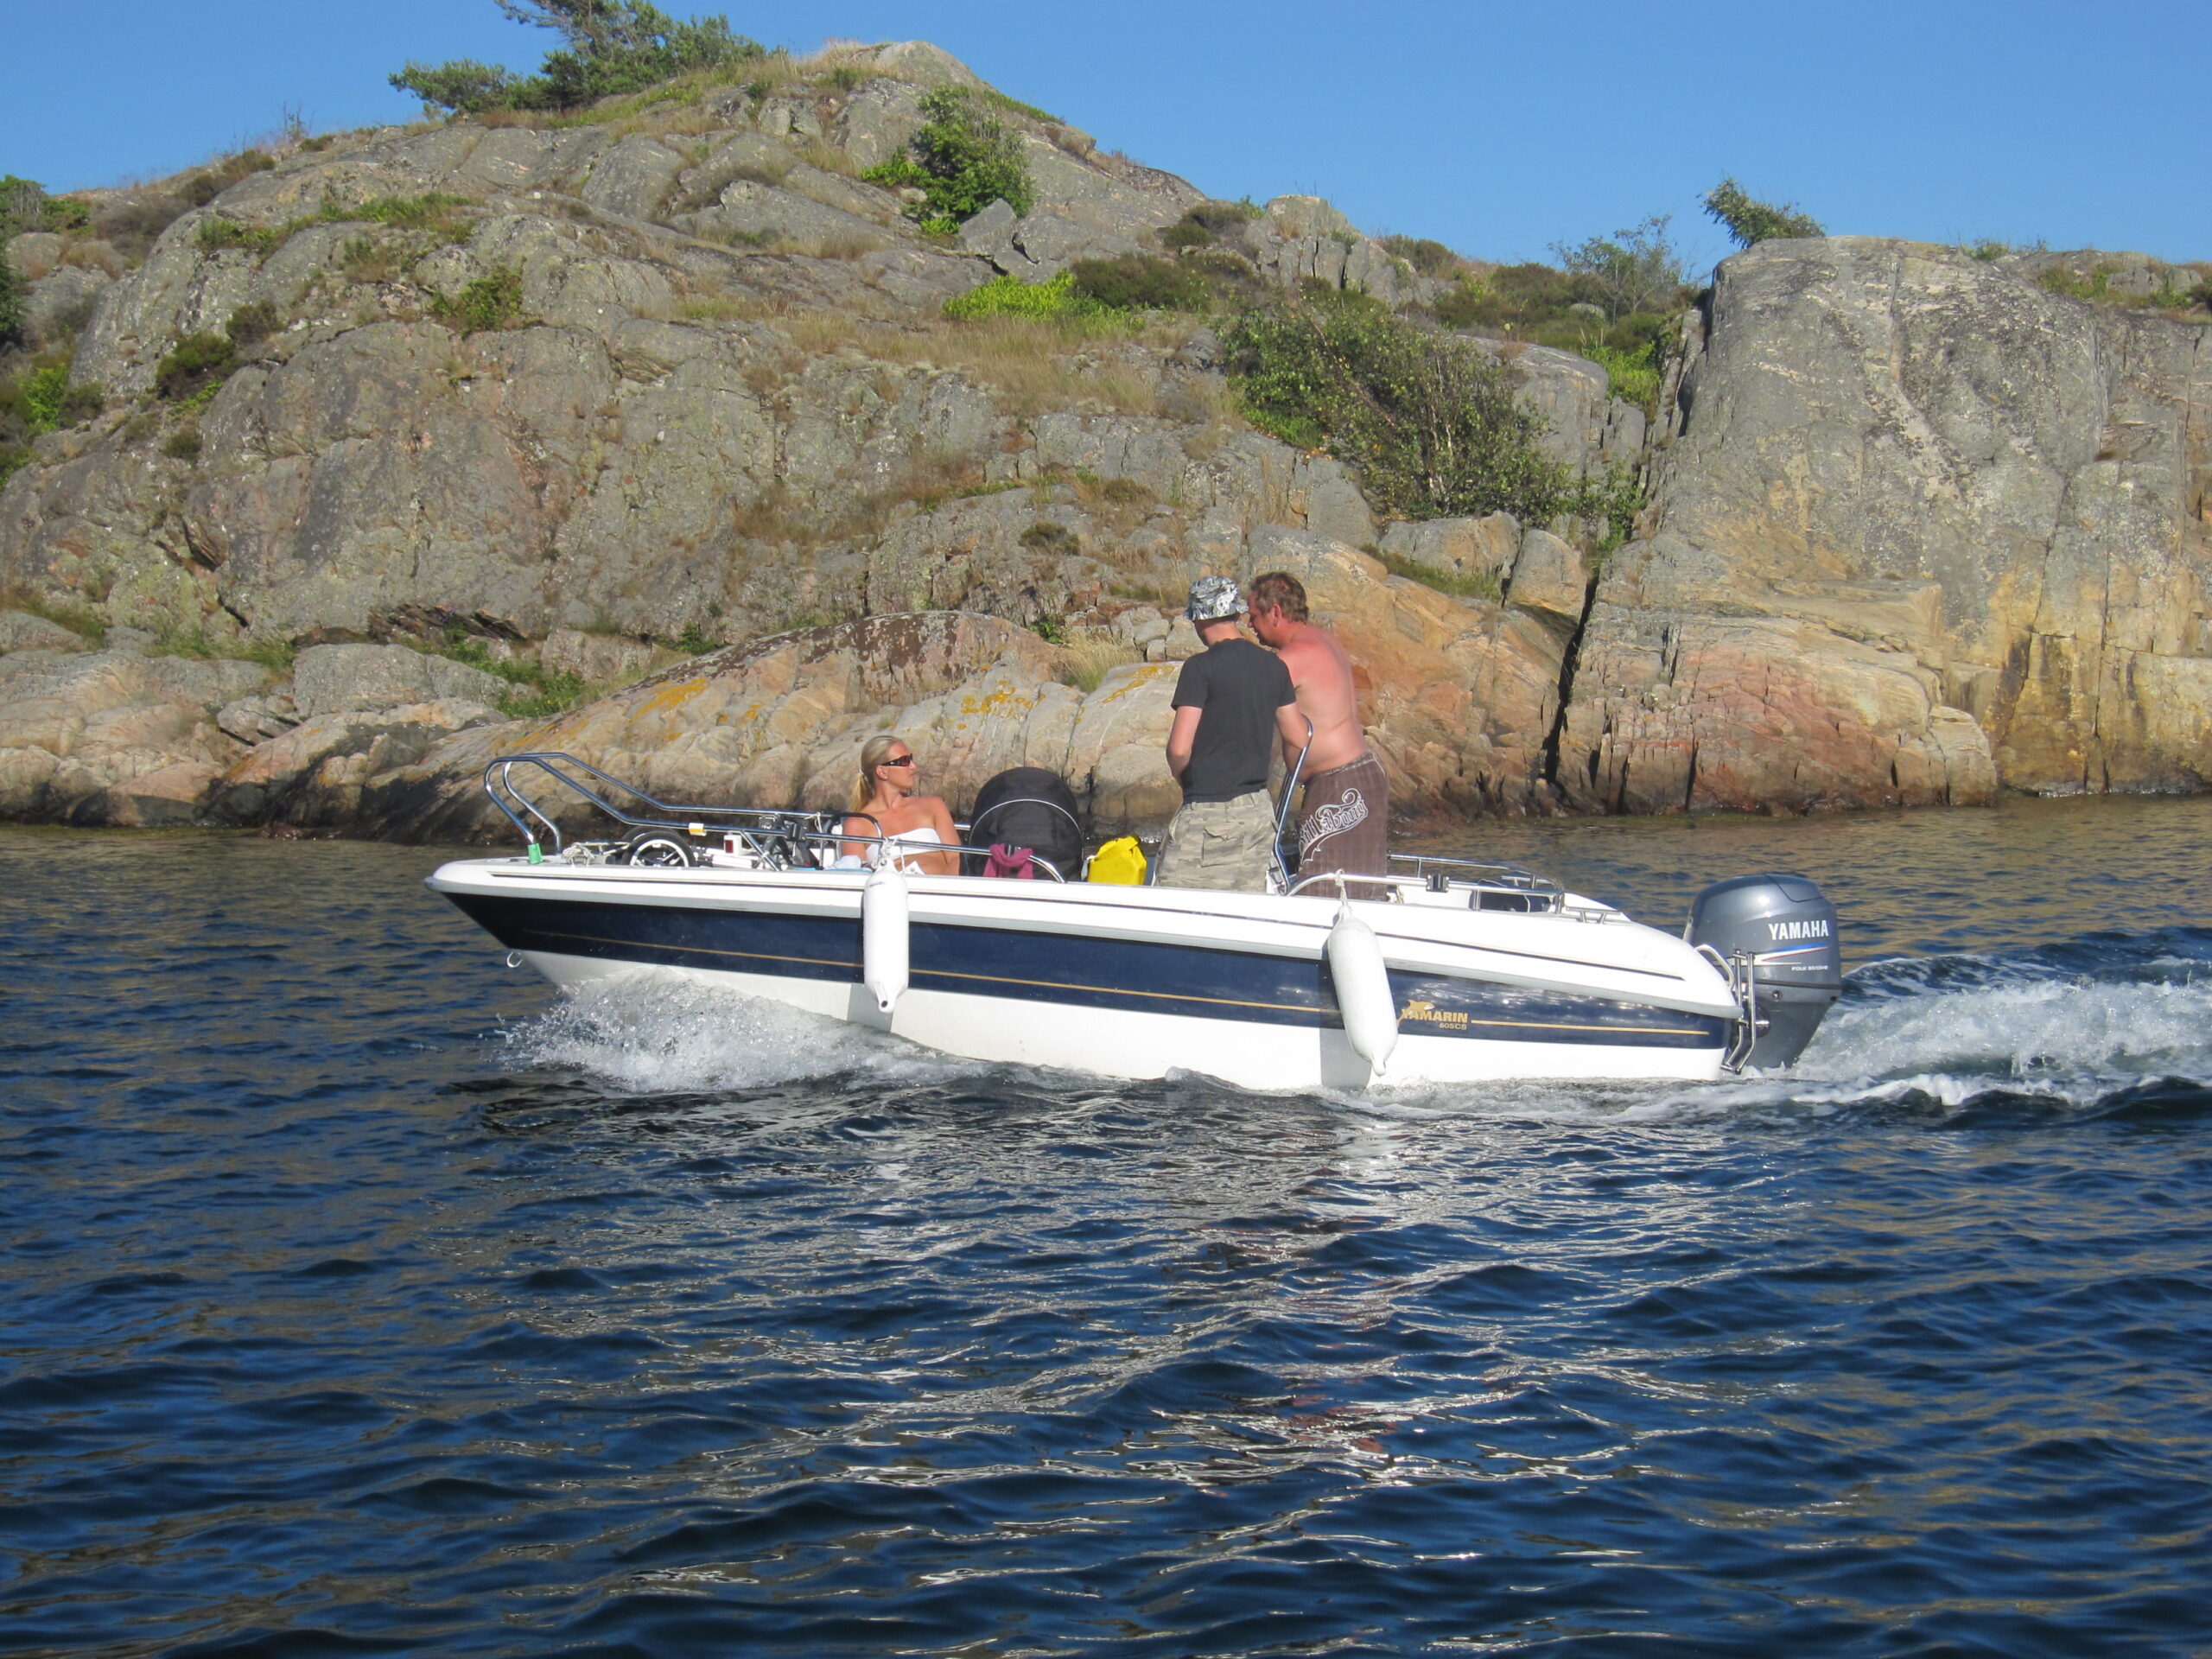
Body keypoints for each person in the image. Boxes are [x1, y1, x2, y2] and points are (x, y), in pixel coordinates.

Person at [1156, 575, 1308, 893]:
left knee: (1175, 902)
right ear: (1237, 614)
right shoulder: (1272, 665)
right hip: (1258, 812)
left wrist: (1183, 778)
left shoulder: (1200, 668)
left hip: (1209, 813)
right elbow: (1299, 736)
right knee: (1241, 907)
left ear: (1198, 620)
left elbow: (1180, 749)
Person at [1248, 570, 1389, 897]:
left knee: (1323, 891)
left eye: (1254, 615)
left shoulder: (1293, 657)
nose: (1250, 624)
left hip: (1340, 785)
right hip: (1362, 775)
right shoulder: (1324, 639)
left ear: (1275, 613)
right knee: (1359, 891)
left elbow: (1249, 709)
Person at [840, 734, 958, 875]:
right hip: (890, 888)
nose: (913, 766)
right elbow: (855, 876)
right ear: (882, 772)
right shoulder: (857, 824)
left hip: (941, 885)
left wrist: (942, 886)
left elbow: (957, 859)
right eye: (904, 761)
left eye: (911, 759)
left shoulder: (933, 806)